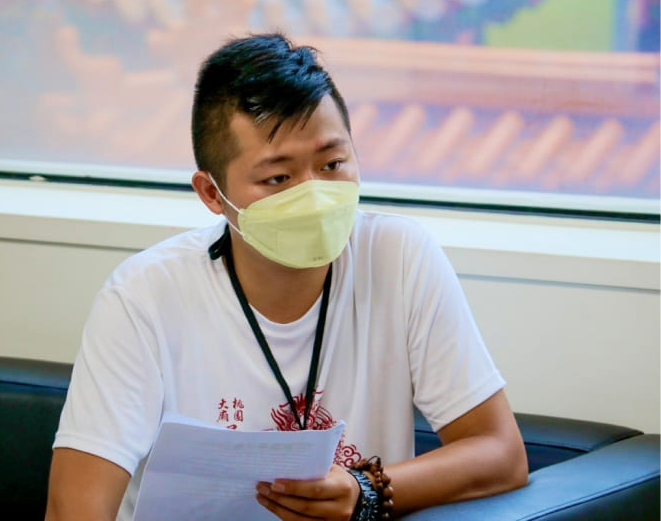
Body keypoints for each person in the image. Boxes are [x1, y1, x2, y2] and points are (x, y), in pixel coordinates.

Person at [45, 32, 528, 521]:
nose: (314, 196)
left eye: (332, 164)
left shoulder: (398, 257)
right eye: (278, 178)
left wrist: (364, 490)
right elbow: (73, 509)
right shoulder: (143, 296)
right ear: (212, 194)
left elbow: (500, 453)